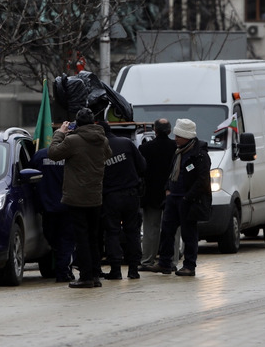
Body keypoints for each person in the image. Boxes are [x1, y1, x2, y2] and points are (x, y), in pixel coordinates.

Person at [48, 107, 113, 289]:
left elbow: (53, 153)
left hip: (76, 196)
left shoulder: (73, 140)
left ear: (77, 123)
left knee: (81, 238)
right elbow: (107, 154)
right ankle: (95, 275)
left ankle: (85, 277)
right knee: (93, 237)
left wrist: (60, 133)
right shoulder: (102, 140)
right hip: (95, 196)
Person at [154, 118, 211, 277]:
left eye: (179, 135)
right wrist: (167, 189)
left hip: (188, 200)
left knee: (189, 234)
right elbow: (171, 172)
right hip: (173, 198)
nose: (175, 138)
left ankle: (189, 266)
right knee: (166, 231)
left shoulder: (199, 155)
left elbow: (203, 180)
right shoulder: (178, 152)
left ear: (187, 136)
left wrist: (187, 197)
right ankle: (165, 263)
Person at [100, 120, 147, 280]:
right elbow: (143, 166)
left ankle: (116, 270)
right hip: (131, 195)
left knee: (112, 233)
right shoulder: (126, 143)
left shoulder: (99, 150)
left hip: (110, 198)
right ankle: (133, 270)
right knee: (132, 232)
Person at [138, 118, 181, 272]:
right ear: (170, 131)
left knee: (151, 228)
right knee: (173, 229)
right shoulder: (176, 148)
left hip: (151, 194)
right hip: (172, 192)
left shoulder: (145, 148)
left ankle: (147, 260)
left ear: (154, 130)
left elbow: (141, 171)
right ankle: (173, 260)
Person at [28, 147, 75, 283]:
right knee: (66, 241)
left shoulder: (40, 155)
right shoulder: (70, 154)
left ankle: (63, 269)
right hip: (67, 205)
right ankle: (63, 271)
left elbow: (29, 176)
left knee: (54, 239)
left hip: (47, 207)